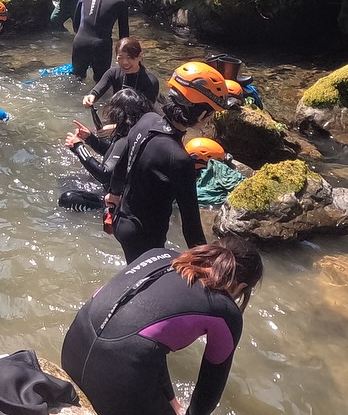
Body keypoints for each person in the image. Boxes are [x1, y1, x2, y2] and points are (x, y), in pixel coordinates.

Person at [62, 237, 263, 415]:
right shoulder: (225, 311)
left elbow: (146, 346)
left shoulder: (160, 254)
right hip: (117, 376)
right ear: (241, 286)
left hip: (74, 348)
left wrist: (173, 404)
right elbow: (211, 382)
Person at [103, 62, 238, 262]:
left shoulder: (146, 119)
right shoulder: (180, 160)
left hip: (122, 219)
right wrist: (207, 263)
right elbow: (190, 226)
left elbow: (121, 167)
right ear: (201, 114)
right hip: (146, 239)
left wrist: (113, 195)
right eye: (211, 114)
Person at [59, 89, 152, 213]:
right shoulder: (137, 132)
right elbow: (115, 154)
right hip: (131, 192)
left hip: (121, 199)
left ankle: (102, 211)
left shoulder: (126, 139)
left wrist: (78, 148)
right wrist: (90, 138)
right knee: (66, 180)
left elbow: (104, 175)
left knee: (67, 199)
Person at [71, 0, 129, 82]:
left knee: (76, 80)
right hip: (102, 46)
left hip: (80, 42)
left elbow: (76, 24)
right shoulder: (119, 1)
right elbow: (124, 36)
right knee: (101, 83)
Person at [83, 37, 159, 110]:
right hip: (117, 114)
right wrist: (90, 97)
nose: (125, 62)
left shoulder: (151, 81)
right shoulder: (113, 73)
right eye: (120, 58)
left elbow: (147, 113)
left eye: (129, 57)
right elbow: (97, 91)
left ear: (140, 56)